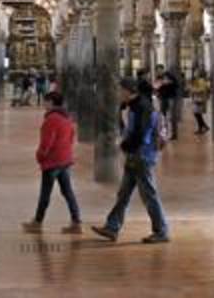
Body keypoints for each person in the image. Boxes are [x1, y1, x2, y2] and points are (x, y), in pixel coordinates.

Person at [90, 79, 169, 244]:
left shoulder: (143, 107)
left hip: (142, 156)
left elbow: (141, 134)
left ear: (128, 91)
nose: (118, 94)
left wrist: (125, 146)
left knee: (149, 194)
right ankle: (112, 227)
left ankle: (161, 231)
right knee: (123, 194)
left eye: (120, 90)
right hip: (135, 155)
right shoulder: (134, 106)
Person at [22, 91, 82, 234]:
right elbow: (71, 138)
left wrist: (40, 156)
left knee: (45, 193)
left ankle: (37, 222)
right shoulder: (66, 117)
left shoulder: (51, 119)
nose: (44, 104)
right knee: (68, 192)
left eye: (46, 101)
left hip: (53, 162)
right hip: (65, 160)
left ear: (51, 103)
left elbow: (46, 143)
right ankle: (76, 222)